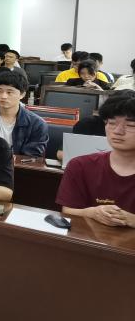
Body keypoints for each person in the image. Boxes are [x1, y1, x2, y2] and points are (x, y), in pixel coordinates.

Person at [56, 92, 135, 227]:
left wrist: (132, 220)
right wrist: (92, 213)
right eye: (112, 123)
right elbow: (68, 210)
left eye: (131, 125)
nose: (117, 131)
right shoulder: (80, 165)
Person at [0, 71, 48, 157]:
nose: (3, 96)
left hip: (18, 165)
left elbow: (30, 156)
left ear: (22, 94)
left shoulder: (37, 124)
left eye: (9, 92)